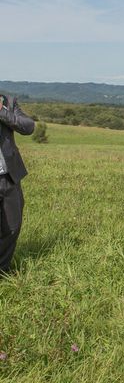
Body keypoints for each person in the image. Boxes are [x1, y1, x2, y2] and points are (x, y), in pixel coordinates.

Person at [0, 94, 35, 274]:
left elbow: (28, 127)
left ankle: (2, 269)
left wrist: (2, 113)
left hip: (8, 177)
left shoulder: (8, 102)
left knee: (12, 227)